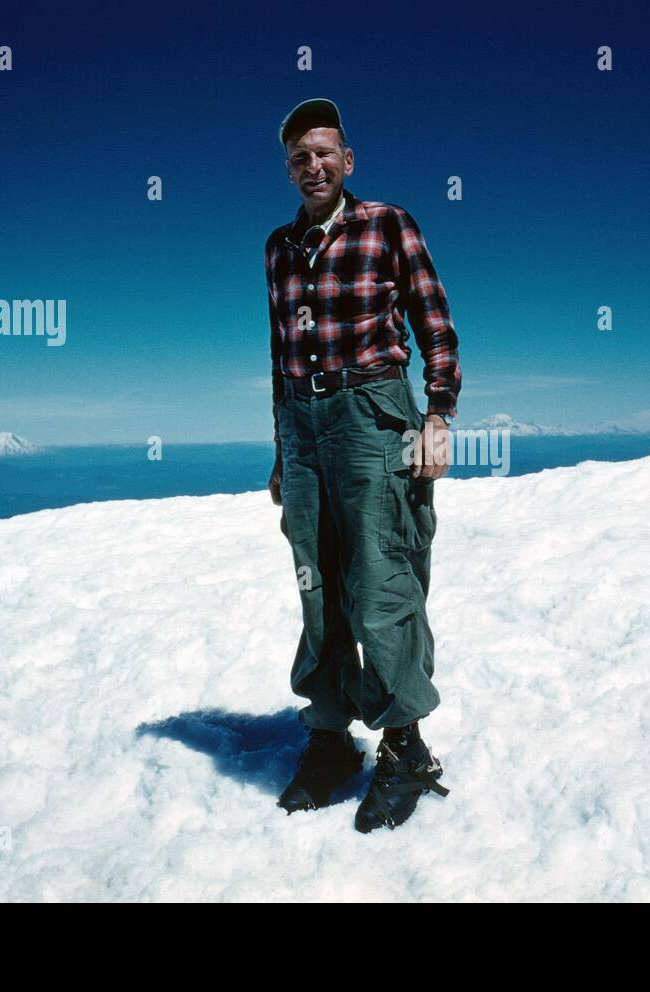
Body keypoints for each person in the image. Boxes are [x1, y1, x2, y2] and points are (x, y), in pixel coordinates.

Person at [264, 98, 462, 833]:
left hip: (374, 415)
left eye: (324, 153)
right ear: (288, 171)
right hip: (305, 426)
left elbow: (433, 318)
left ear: (347, 161)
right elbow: (280, 356)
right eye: (297, 158)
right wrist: (285, 452)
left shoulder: (387, 223)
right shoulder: (278, 248)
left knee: (381, 582)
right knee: (319, 586)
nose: (311, 166)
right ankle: (328, 737)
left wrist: (438, 414)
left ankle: (406, 747)